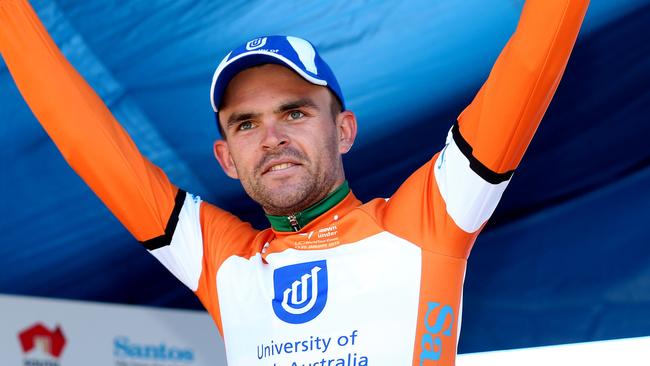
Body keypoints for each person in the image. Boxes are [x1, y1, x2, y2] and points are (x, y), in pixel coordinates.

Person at [0, 0, 589, 364]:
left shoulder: (428, 219)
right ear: (226, 158)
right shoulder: (221, 262)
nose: (271, 137)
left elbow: (533, 57)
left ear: (345, 129)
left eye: (295, 112)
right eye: (246, 124)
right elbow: (81, 132)